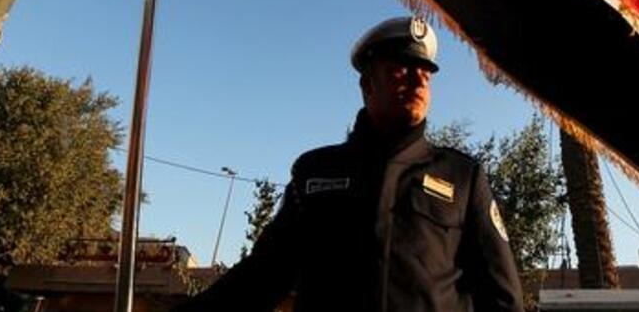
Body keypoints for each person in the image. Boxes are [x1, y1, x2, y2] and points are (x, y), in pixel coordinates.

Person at [173, 16, 524, 312]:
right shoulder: (315, 172)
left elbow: (502, 296)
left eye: (426, 75)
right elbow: (263, 277)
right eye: (403, 69)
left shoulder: (463, 176)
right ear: (367, 84)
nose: (418, 81)